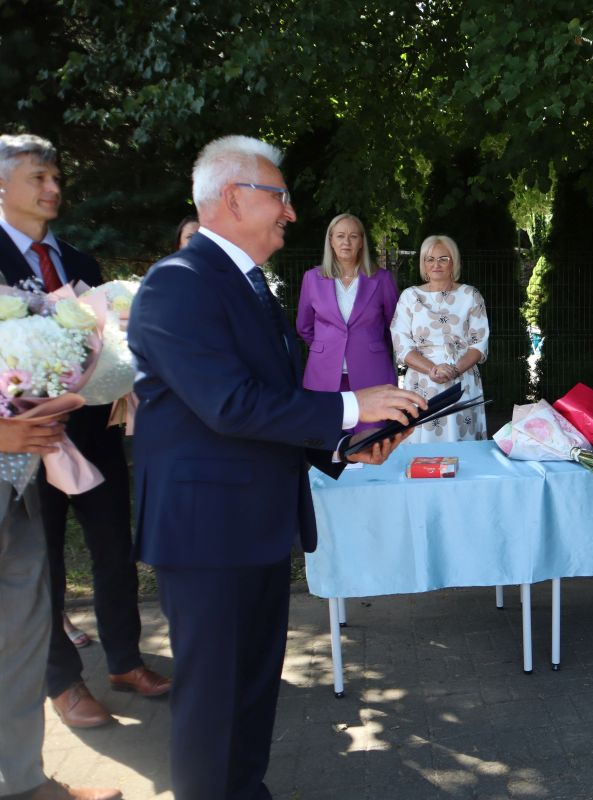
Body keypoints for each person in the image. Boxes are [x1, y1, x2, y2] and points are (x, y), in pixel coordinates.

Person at [126, 135, 426, 800]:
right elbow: (230, 404)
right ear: (234, 198)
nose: (291, 212)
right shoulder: (178, 283)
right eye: (280, 196)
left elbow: (276, 403)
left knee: (254, 689)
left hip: (254, 528)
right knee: (214, 703)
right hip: (207, 535)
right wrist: (353, 405)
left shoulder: (249, 285)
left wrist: (343, 447)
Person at [0, 133, 170, 730]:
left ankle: (124, 660)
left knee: (114, 550)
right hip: (27, 444)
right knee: (41, 562)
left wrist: (118, 378)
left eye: (56, 177)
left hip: (93, 435)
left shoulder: (80, 263)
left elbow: (105, 343)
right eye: (38, 177)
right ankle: (63, 682)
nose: (53, 188)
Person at [296, 213, 399, 433]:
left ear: (361, 242)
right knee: (326, 440)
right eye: (340, 236)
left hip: (372, 372)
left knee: (371, 439)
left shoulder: (382, 279)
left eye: (353, 236)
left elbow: (394, 327)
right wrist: (329, 347)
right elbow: (304, 326)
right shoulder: (312, 278)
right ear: (331, 241)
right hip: (324, 374)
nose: (346, 242)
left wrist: (369, 346)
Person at [390, 235, 489, 441]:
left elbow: (479, 344)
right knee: (422, 446)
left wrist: (454, 370)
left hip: (461, 378)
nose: (436, 264)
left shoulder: (471, 295)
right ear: (423, 264)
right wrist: (432, 369)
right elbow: (401, 344)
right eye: (430, 259)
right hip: (422, 381)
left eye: (443, 259)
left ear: (454, 262)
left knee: (462, 443)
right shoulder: (409, 296)